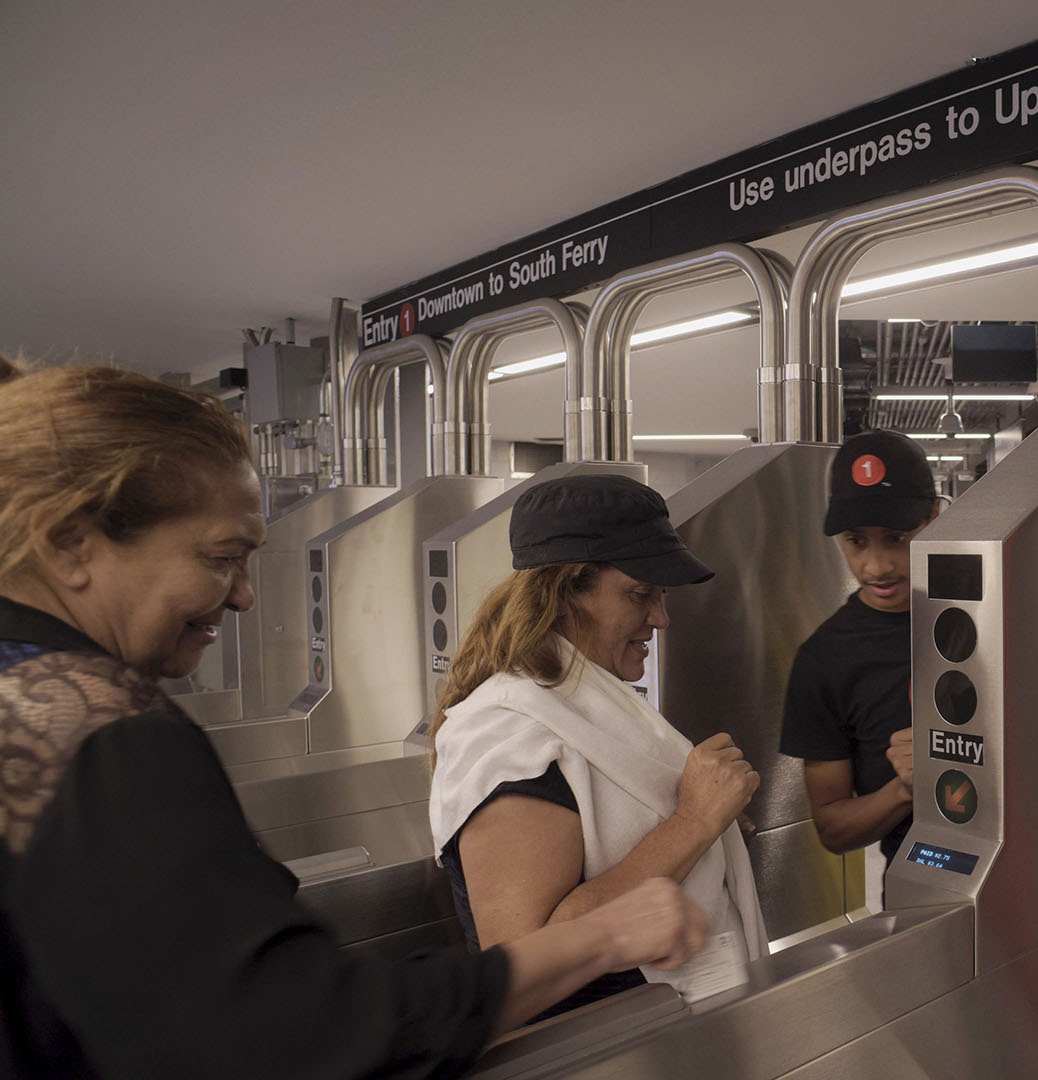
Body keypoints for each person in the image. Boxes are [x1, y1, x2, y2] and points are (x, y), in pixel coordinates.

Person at [0, 358, 708, 1080]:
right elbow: (294, 1035)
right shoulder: (100, 733)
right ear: (67, 544)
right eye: (221, 557)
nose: (245, 598)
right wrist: (607, 933)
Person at [429, 474, 766, 1016]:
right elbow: (523, 958)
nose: (660, 618)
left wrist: (704, 825)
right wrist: (693, 824)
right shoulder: (511, 734)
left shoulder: (585, 704)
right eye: (640, 595)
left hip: (656, 1037)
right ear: (564, 594)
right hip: (589, 1049)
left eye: (662, 595)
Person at [780, 429, 941, 869]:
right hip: (925, 875)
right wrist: (906, 788)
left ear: (935, 516)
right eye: (857, 541)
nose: (876, 566)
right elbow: (833, 828)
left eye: (896, 537)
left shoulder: (992, 612)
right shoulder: (825, 660)